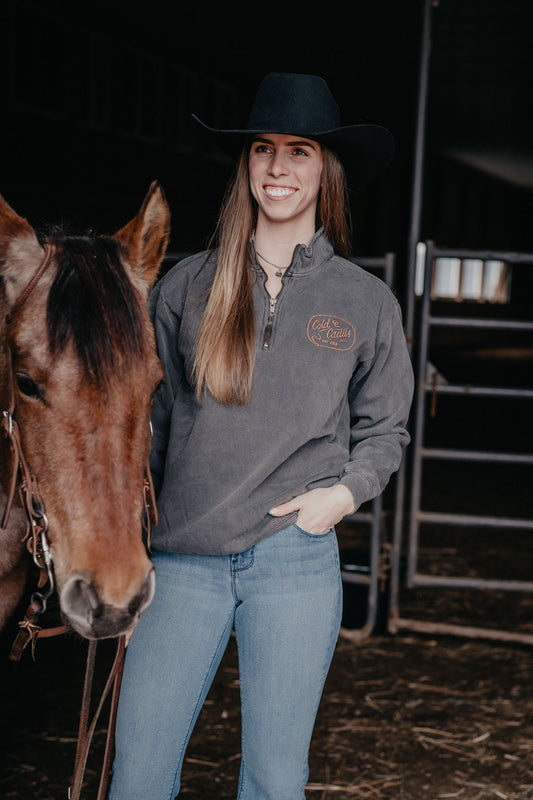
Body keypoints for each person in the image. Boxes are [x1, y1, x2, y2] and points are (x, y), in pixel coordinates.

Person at [108, 71, 414, 800]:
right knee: (139, 774)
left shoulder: (363, 302)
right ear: (245, 165)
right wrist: (125, 549)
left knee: (276, 779)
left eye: (299, 151)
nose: (278, 168)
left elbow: (386, 427)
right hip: (181, 563)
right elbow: (148, 428)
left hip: (294, 561)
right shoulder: (188, 286)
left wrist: (339, 497)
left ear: (324, 168)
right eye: (262, 149)